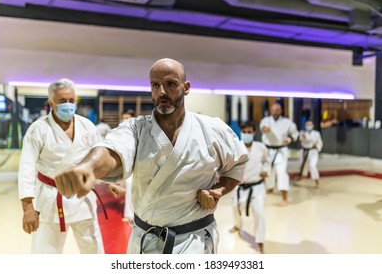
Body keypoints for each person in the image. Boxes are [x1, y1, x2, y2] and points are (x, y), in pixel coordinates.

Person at [54, 58, 248, 254]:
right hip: (145, 241)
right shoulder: (136, 128)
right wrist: (88, 167)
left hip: (194, 241)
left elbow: (237, 166)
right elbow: (111, 150)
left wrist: (219, 190)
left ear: (186, 87)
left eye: (170, 84)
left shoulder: (213, 129)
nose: (161, 91)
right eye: (155, 85)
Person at [18, 78, 104, 254]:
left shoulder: (87, 126)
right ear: (51, 103)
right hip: (51, 197)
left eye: (72, 101)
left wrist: (111, 182)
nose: (68, 105)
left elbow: (100, 157)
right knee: (45, 253)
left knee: (93, 250)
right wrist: (28, 208)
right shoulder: (38, 129)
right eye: (62, 101)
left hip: (82, 196)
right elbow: (27, 168)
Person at [229, 121, 269, 254]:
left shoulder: (261, 147)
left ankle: (260, 240)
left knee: (258, 211)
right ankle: (238, 225)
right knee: (235, 207)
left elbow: (266, 161)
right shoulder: (236, 147)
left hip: (257, 186)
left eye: (249, 132)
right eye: (244, 132)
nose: (247, 134)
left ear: (254, 132)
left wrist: (265, 170)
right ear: (241, 133)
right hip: (240, 186)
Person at [259, 103, 299, 206]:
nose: (275, 112)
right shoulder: (266, 120)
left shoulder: (287, 122)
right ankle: (270, 188)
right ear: (270, 111)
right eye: (273, 110)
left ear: (281, 111)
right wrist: (265, 129)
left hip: (281, 150)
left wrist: (289, 139)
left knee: (281, 172)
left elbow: (295, 134)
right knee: (268, 171)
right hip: (268, 150)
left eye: (277, 110)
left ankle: (284, 197)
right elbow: (263, 127)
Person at [298, 120, 323, 188]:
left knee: (312, 165)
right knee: (302, 165)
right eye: (307, 125)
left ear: (313, 126)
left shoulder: (316, 133)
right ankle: (302, 176)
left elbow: (319, 142)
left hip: (313, 152)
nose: (308, 126)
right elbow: (303, 139)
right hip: (304, 151)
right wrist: (306, 138)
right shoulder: (302, 133)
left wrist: (317, 148)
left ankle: (316, 179)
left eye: (310, 125)